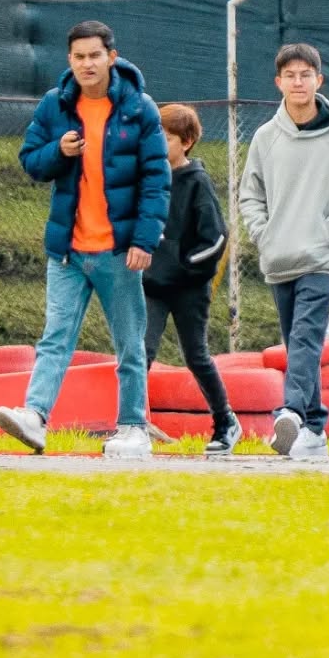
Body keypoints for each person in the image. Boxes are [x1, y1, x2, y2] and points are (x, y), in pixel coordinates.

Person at [0, 20, 169, 460]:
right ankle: (34, 417)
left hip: (119, 251)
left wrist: (144, 240)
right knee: (55, 338)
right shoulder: (56, 104)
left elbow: (156, 179)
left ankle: (133, 427)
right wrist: (59, 151)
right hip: (68, 252)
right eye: (78, 57)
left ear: (112, 56)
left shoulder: (139, 108)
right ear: (69, 61)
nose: (87, 64)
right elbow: (30, 161)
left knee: (130, 343)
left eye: (95, 55)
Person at [239, 42, 329, 462]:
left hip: (322, 260)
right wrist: (265, 234)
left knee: (304, 336)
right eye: (290, 75)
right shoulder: (264, 138)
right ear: (278, 83)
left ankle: (291, 411)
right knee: (299, 343)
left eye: (305, 74)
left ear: (319, 80)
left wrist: (325, 234)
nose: (298, 82)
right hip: (279, 259)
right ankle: (314, 428)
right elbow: (249, 196)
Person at [143, 103, 239, 455]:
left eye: (165, 137)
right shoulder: (149, 177)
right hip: (151, 285)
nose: (157, 142)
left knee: (195, 355)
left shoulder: (197, 182)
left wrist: (182, 266)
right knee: (140, 351)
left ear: (186, 142)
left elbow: (216, 239)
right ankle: (132, 425)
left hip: (189, 287)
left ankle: (225, 422)